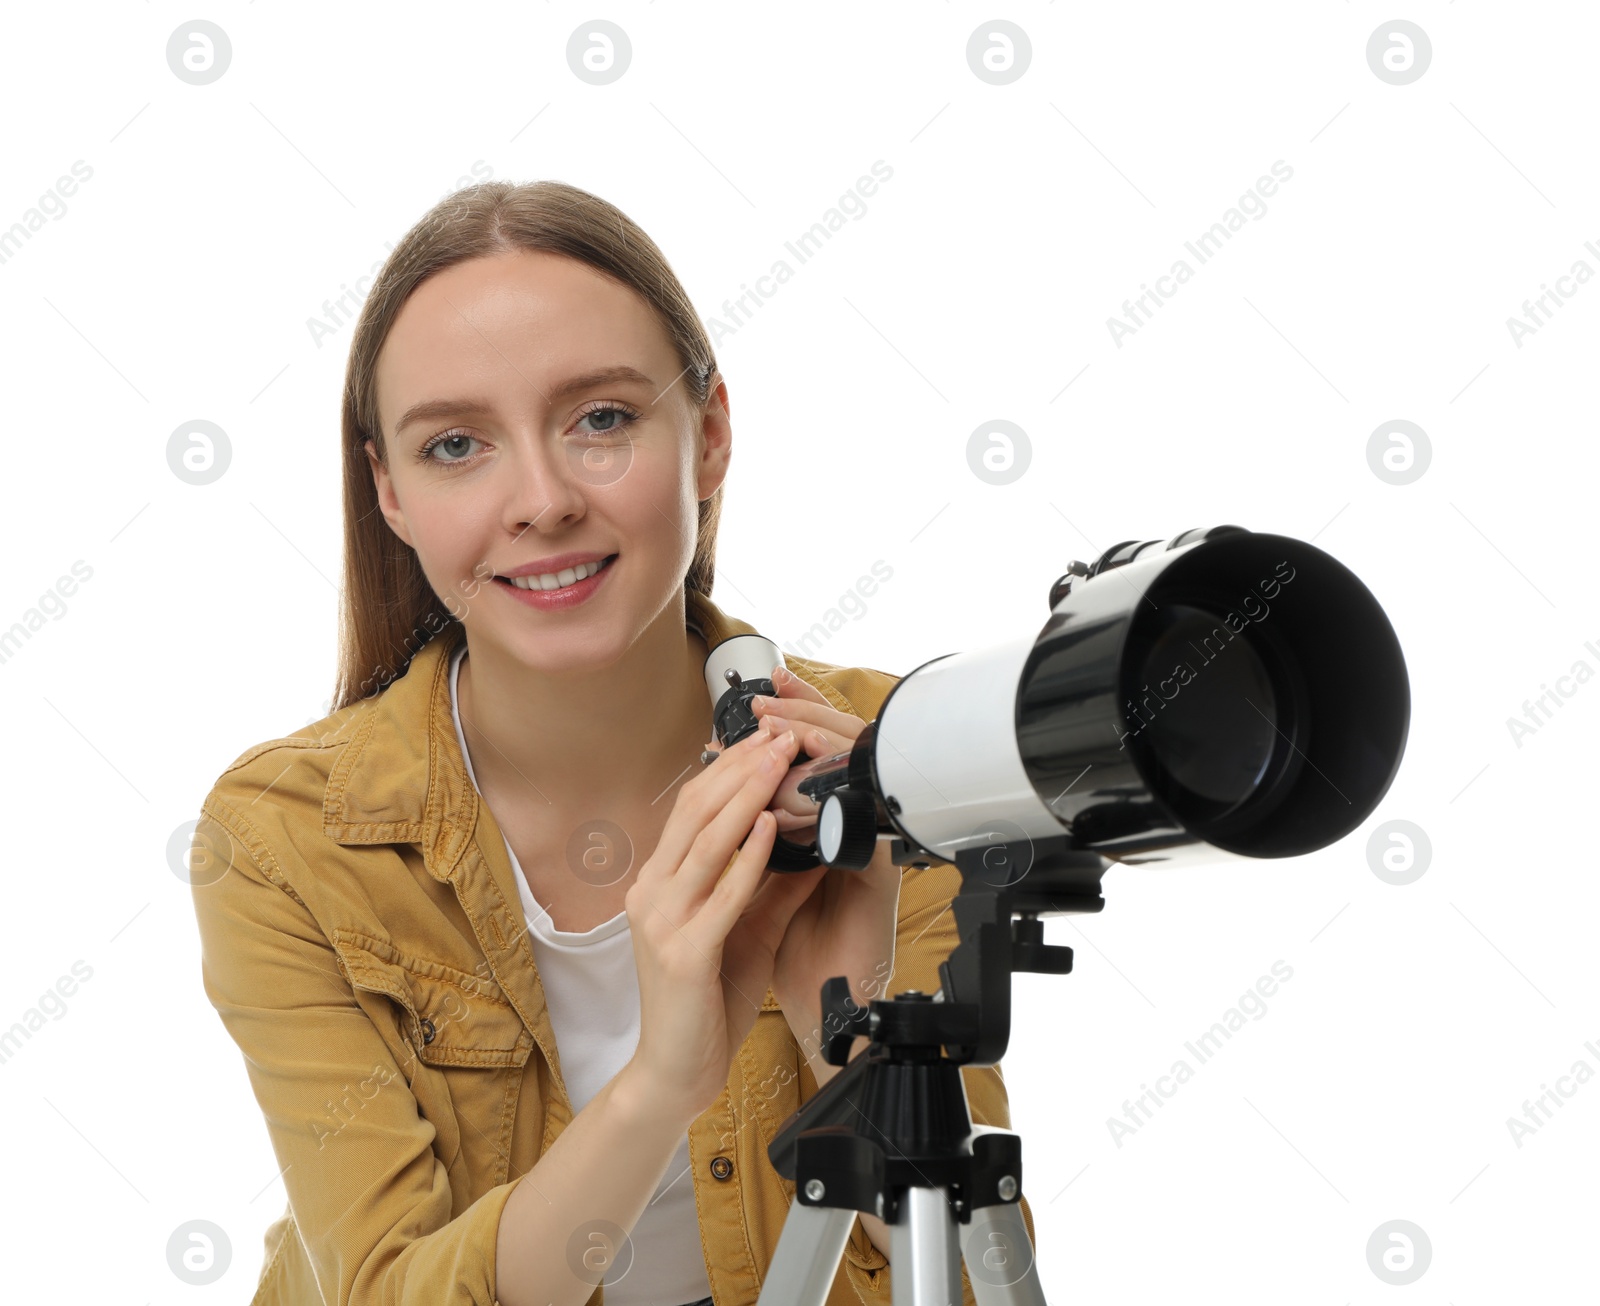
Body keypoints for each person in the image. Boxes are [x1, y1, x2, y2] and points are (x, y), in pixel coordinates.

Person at [187, 179, 1036, 1306]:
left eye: (601, 419)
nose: (540, 500)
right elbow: (389, 1288)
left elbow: (963, 1275)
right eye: (454, 444)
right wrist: (659, 1086)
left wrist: (857, 1041)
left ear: (710, 435)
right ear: (388, 492)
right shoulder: (285, 838)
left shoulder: (896, 764)